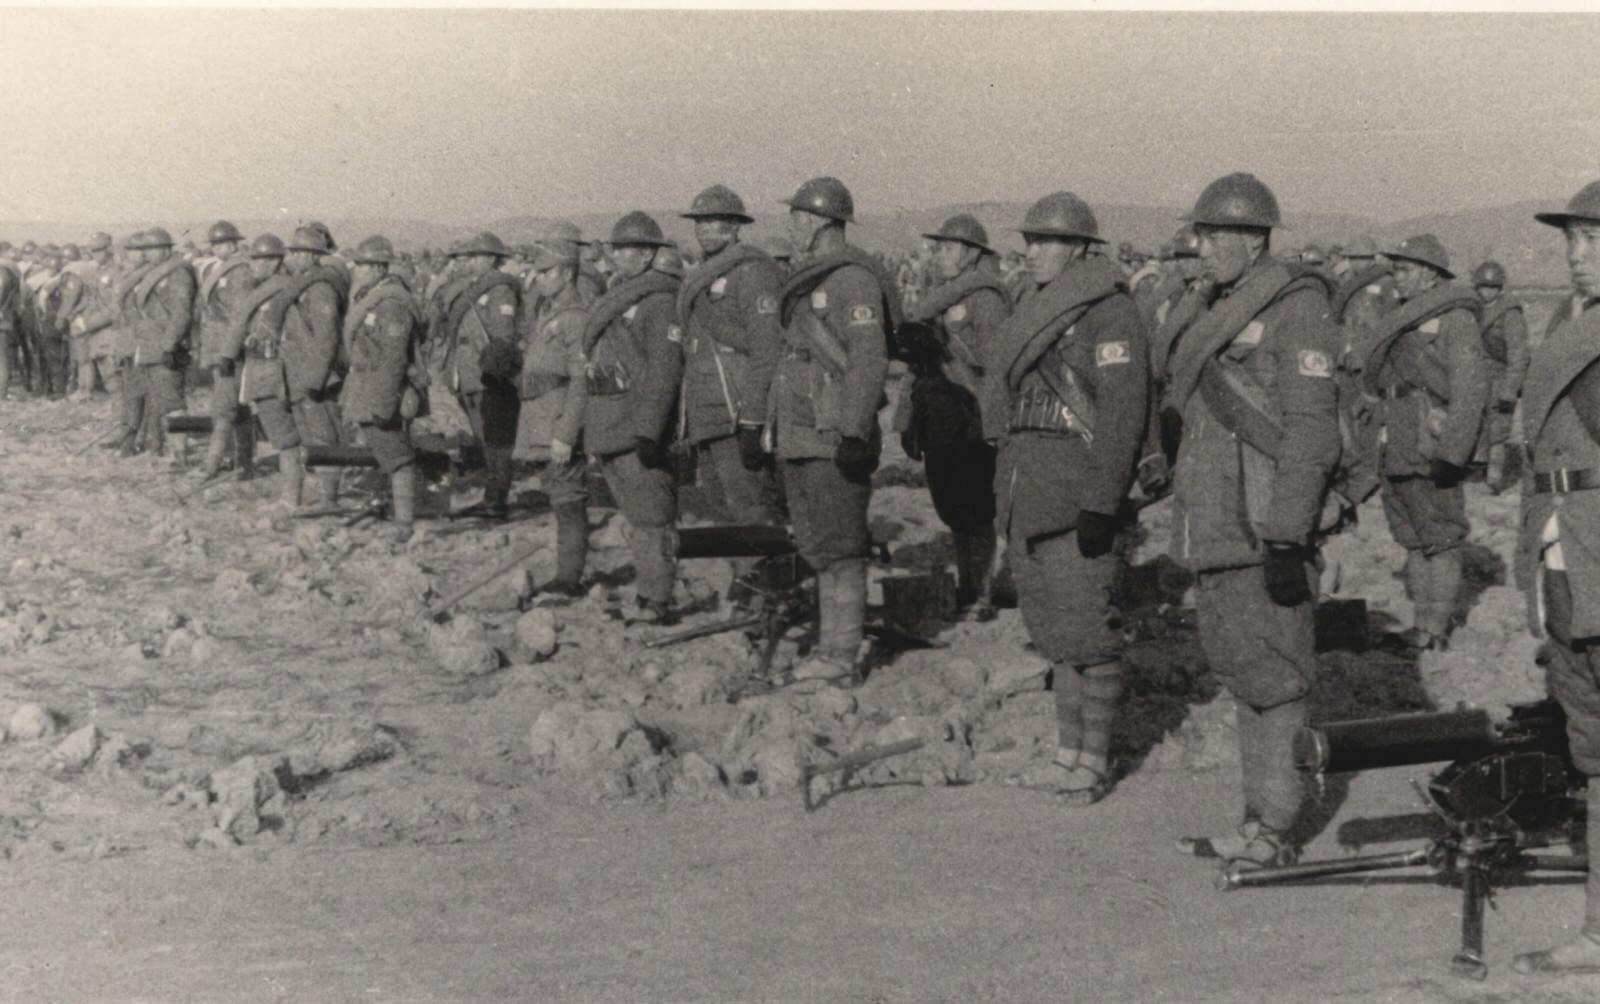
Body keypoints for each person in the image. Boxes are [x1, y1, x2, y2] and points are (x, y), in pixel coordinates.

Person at [1162, 173, 1342, 867]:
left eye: (1211, 235)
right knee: (1246, 674)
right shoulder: (1223, 305)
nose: (1198, 246)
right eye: (1199, 234)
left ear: (1250, 237)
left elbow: (1311, 433)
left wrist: (1290, 535)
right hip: (1218, 524)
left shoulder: (1296, 309)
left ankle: (1276, 825)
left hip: (1262, 527)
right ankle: (1258, 816)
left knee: (1278, 680)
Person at [981, 193, 1148, 801]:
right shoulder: (1030, 308)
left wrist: (1102, 501)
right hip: (1028, 493)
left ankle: (1094, 759)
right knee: (1054, 637)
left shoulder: (1110, 314)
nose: (1032, 252)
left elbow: (1123, 416)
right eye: (1029, 241)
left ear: (1079, 248)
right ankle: (1066, 752)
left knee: (1090, 637)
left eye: (1045, 241)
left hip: (1077, 495)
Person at [1511, 178, 1600, 977]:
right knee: (1595, 744)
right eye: (1573, 240)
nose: (1577, 256)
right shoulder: (1572, 325)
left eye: (1594, 240)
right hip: (1567, 552)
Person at [770, 177, 896, 683]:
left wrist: (853, 430)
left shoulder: (852, 281)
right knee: (820, 544)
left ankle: (841, 655)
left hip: (831, 433)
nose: (793, 225)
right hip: (803, 431)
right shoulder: (812, 279)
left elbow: (868, 361)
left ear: (821, 221)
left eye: (799, 217)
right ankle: (830, 647)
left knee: (841, 547)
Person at [1359, 234, 1486, 652]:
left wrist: (1452, 454)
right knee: (1412, 537)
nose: (1399, 278)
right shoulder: (1398, 317)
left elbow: (1469, 392)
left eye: (1407, 269)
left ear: (1431, 274)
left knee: (1442, 537)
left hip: (1429, 444)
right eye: (1396, 269)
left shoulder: (1455, 319)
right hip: (1394, 440)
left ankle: (1434, 630)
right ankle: (1421, 625)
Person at [895, 213, 1011, 619]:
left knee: (976, 507)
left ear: (971, 253)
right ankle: (967, 583)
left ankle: (981, 590)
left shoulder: (985, 298)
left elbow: (997, 365)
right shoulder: (944, 294)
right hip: (940, 412)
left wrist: (946, 349)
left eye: (947, 248)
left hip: (971, 412)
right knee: (951, 504)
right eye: (939, 247)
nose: (939, 254)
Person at [580, 211, 683, 623]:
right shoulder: (617, 296)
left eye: (634, 249)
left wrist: (650, 430)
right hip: (610, 422)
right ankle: (648, 594)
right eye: (619, 247)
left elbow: (664, 371)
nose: (623, 255)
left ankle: (657, 600)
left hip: (637, 425)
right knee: (637, 518)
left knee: (653, 519)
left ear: (649, 254)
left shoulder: (658, 302)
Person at [676, 184, 786, 561]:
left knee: (751, 506)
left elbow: (766, 350)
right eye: (700, 223)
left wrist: (753, 418)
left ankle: (773, 588)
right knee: (722, 506)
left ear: (737, 226)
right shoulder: (700, 276)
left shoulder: (751, 272)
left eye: (716, 222)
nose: (706, 230)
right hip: (706, 411)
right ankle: (749, 581)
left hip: (736, 407)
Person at [515, 241, 593, 598]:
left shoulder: (575, 318)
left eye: (546, 272)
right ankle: (567, 574)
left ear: (567, 273)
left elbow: (581, 380)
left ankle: (569, 578)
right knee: (560, 496)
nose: (539, 278)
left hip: (559, 421)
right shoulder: (553, 312)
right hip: (544, 418)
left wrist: (566, 433)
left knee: (568, 499)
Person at [342, 236, 427, 542]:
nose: (358, 271)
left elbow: (394, 358)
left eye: (363, 266)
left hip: (382, 389)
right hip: (368, 385)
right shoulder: (373, 296)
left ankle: (405, 522)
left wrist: (382, 402)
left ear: (378, 267)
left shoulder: (391, 303)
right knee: (383, 449)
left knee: (397, 454)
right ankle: (389, 507)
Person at [438, 232, 522, 518]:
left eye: (475, 256)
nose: (469, 262)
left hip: (487, 377)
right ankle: (492, 492)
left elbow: (502, 340)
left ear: (491, 259)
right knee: (484, 437)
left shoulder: (500, 291)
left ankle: (497, 498)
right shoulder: (472, 287)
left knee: (497, 440)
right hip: (467, 375)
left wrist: (492, 373)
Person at [194, 220, 258, 479]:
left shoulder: (239, 271)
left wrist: (229, 352)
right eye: (216, 244)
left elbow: (239, 316)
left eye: (223, 243)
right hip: (218, 345)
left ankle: (213, 462)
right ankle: (241, 462)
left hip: (228, 348)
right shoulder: (219, 269)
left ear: (234, 243)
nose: (219, 248)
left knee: (223, 407)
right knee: (235, 407)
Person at [126, 227, 196, 458]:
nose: (148, 254)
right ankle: (157, 447)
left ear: (167, 249)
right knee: (157, 401)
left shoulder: (177, 274)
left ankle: (180, 454)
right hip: (149, 346)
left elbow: (181, 313)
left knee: (173, 403)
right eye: (146, 249)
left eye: (153, 249)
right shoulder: (152, 273)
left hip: (165, 347)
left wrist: (169, 345)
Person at [1470, 260, 1529, 492]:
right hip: (1477, 376)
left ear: (1500, 288)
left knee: (1498, 431)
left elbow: (1518, 355)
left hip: (1502, 377)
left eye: (1493, 287)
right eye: (1483, 286)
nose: (1488, 291)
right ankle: (1478, 468)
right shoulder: (1473, 309)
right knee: (1477, 425)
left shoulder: (1510, 314)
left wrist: (1510, 389)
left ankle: (1494, 478)